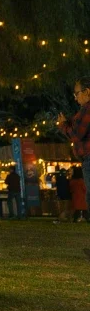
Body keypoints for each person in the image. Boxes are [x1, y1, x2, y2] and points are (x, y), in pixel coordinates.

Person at [59, 77, 90, 221]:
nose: (75, 98)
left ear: (87, 92)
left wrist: (63, 125)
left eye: (77, 93)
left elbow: (76, 134)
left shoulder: (87, 109)